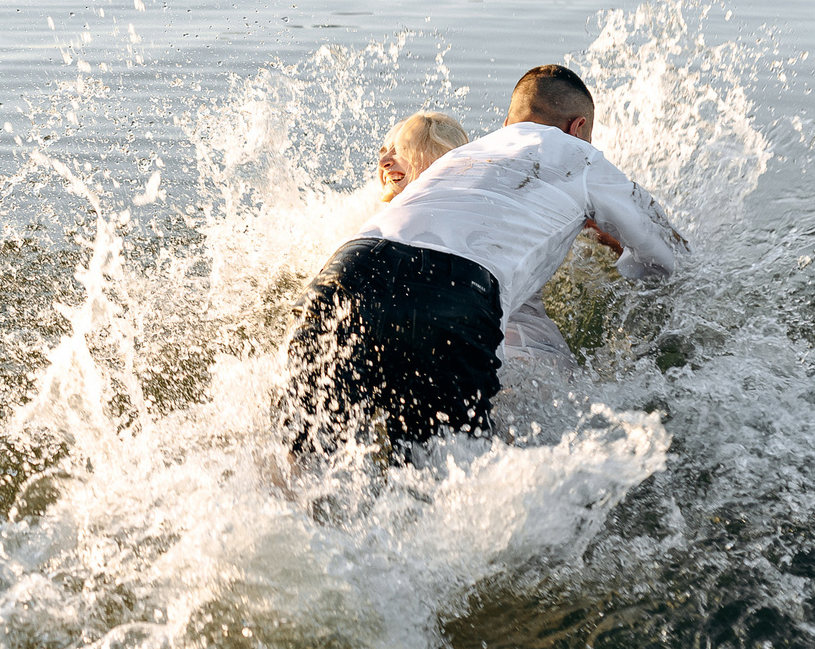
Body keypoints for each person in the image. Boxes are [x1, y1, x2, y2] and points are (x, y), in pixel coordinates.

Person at [281, 64, 688, 455]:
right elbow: (667, 255)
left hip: (351, 265)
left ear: (509, 121)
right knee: (447, 484)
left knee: (297, 455)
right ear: (577, 127)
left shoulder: (463, 155)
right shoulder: (580, 156)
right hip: (456, 292)